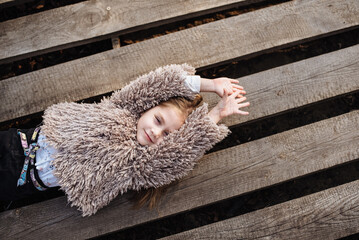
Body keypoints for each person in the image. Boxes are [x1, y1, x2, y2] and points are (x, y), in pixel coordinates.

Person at [0, 64, 249, 216]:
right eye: (158, 120)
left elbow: (181, 152)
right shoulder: (125, 106)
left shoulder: (139, 162)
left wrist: (216, 115)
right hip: (21, 140)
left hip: (21, 176)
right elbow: (160, 82)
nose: (156, 133)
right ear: (147, 108)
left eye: (167, 136)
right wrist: (210, 84)